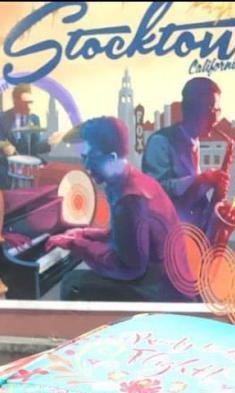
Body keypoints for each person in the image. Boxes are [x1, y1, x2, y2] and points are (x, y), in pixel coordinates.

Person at [47, 117, 187, 303]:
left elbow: (128, 269)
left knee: (72, 284)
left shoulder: (131, 199)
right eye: (84, 158)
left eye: (91, 158)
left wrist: (77, 245)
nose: (86, 166)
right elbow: (123, 238)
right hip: (164, 281)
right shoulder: (131, 181)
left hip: (163, 293)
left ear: (111, 158)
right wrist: (83, 233)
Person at [142, 77, 229, 233]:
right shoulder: (160, 141)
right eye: (215, 110)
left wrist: (212, 187)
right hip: (169, 237)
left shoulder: (195, 142)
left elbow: (189, 194)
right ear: (198, 109)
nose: (217, 118)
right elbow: (154, 192)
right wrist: (201, 180)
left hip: (191, 236)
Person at [0, 84, 62, 188]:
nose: (29, 107)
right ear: (15, 101)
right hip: (8, 164)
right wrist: (3, 146)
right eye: (25, 103)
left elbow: (35, 147)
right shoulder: (1, 119)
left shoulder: (34, 119)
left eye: (30, 102)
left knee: (50, 174)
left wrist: (49, 142)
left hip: (28, 162)